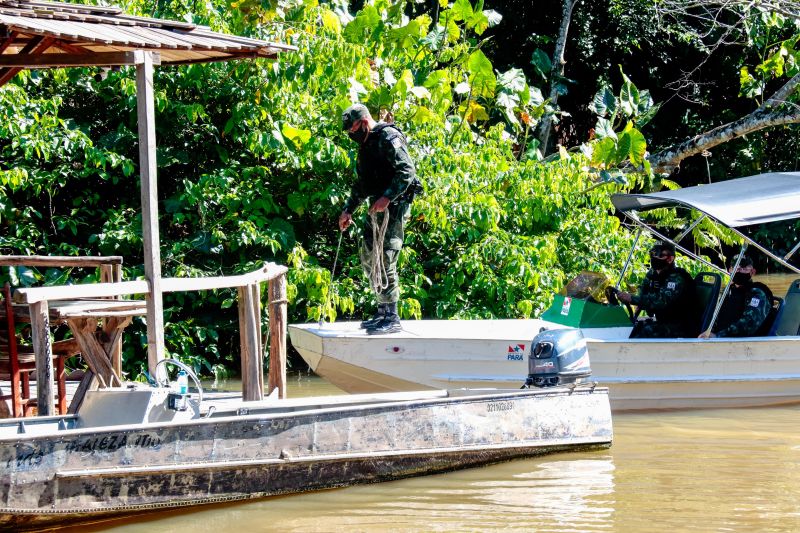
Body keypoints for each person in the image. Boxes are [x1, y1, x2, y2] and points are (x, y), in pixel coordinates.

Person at [338, 103, 421, 335]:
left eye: (352, 129)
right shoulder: (365, 146)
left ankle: (392, 316)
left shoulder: (388, 137)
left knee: (385, 258)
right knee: (368, 255)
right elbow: (361, 184)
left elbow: (407, 170)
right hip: (376, 205)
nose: (351, 135)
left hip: (394, 205)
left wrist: (387, 197)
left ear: (363, 123)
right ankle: (382, 311)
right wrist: (348, 211)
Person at [615, 242, 696, 338]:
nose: (654, 258)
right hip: (665, 322)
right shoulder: (654, 275)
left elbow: (661, 300)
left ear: (670, 259)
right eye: (652, 254)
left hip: (682, 327)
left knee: (646, 332)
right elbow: (643, 292)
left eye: (659, 255)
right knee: (634, 328)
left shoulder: (677, 277)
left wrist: (632, 299)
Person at [700, 255, 772, 338]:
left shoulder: (757, 293)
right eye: (736, 268)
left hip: (744, 343)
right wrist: (709, 332)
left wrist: (718, 336)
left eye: (744, 269)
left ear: (752, 272)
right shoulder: (728, 292)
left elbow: (749, 324)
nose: (740, 271)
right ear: (730, 270)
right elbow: (715, 317)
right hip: (722, 341)